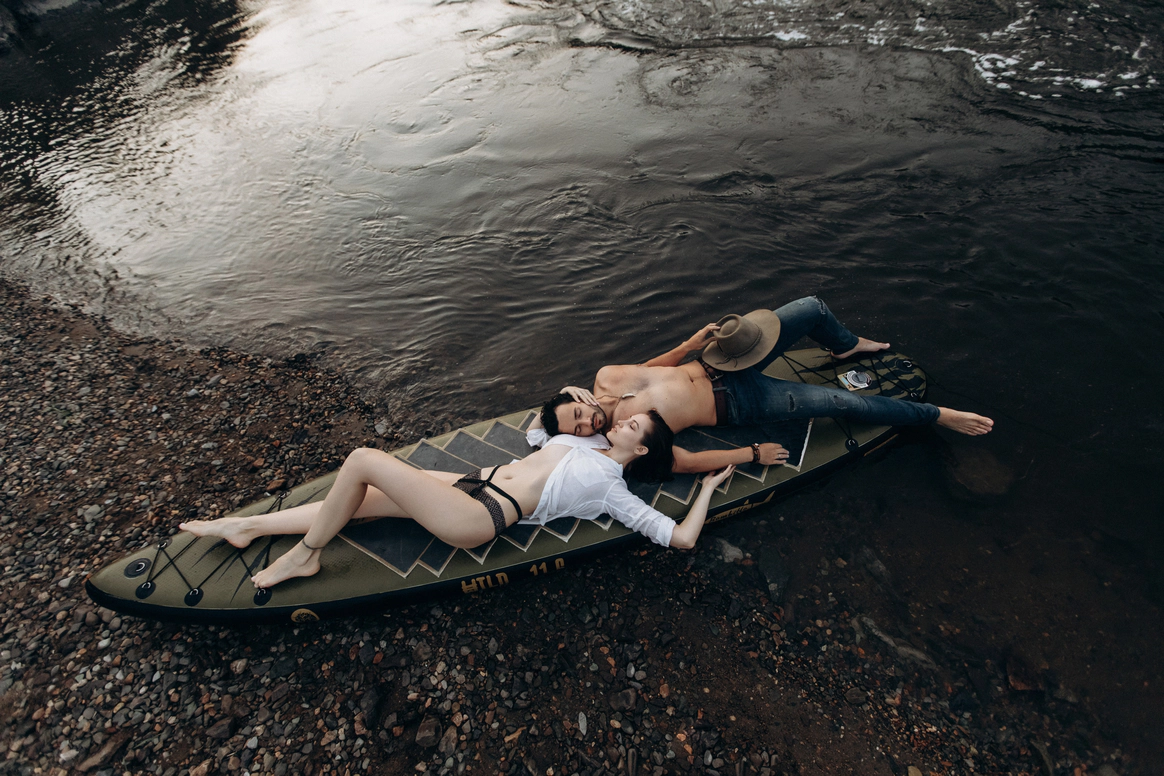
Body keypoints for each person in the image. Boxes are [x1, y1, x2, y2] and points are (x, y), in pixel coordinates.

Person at [180, 410, 733, 589]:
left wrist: (706, 489)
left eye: (633, 425)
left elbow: (681, 538)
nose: (622, 420)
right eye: (627, 416)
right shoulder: (585, 440)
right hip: (471, 481)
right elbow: (539, 427)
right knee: (364, 497)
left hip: (482, 515)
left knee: (363, 459)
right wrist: (575, 406)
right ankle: (250, 528)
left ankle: (306, 555)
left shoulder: (613, 489)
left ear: (642, 447)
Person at [542, 296, 994, 474]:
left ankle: (846, 346)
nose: (586, 423)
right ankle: (937, 415)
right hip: (741, 401)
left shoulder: (605, 376)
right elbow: (678, 463)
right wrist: (750, 454)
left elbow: (648, 369)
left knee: (811, 307)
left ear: (575, 396)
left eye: (577, 413)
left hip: (725, 358)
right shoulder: (620, 437)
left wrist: (689, 345)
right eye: (577, 429)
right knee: (843, 403)